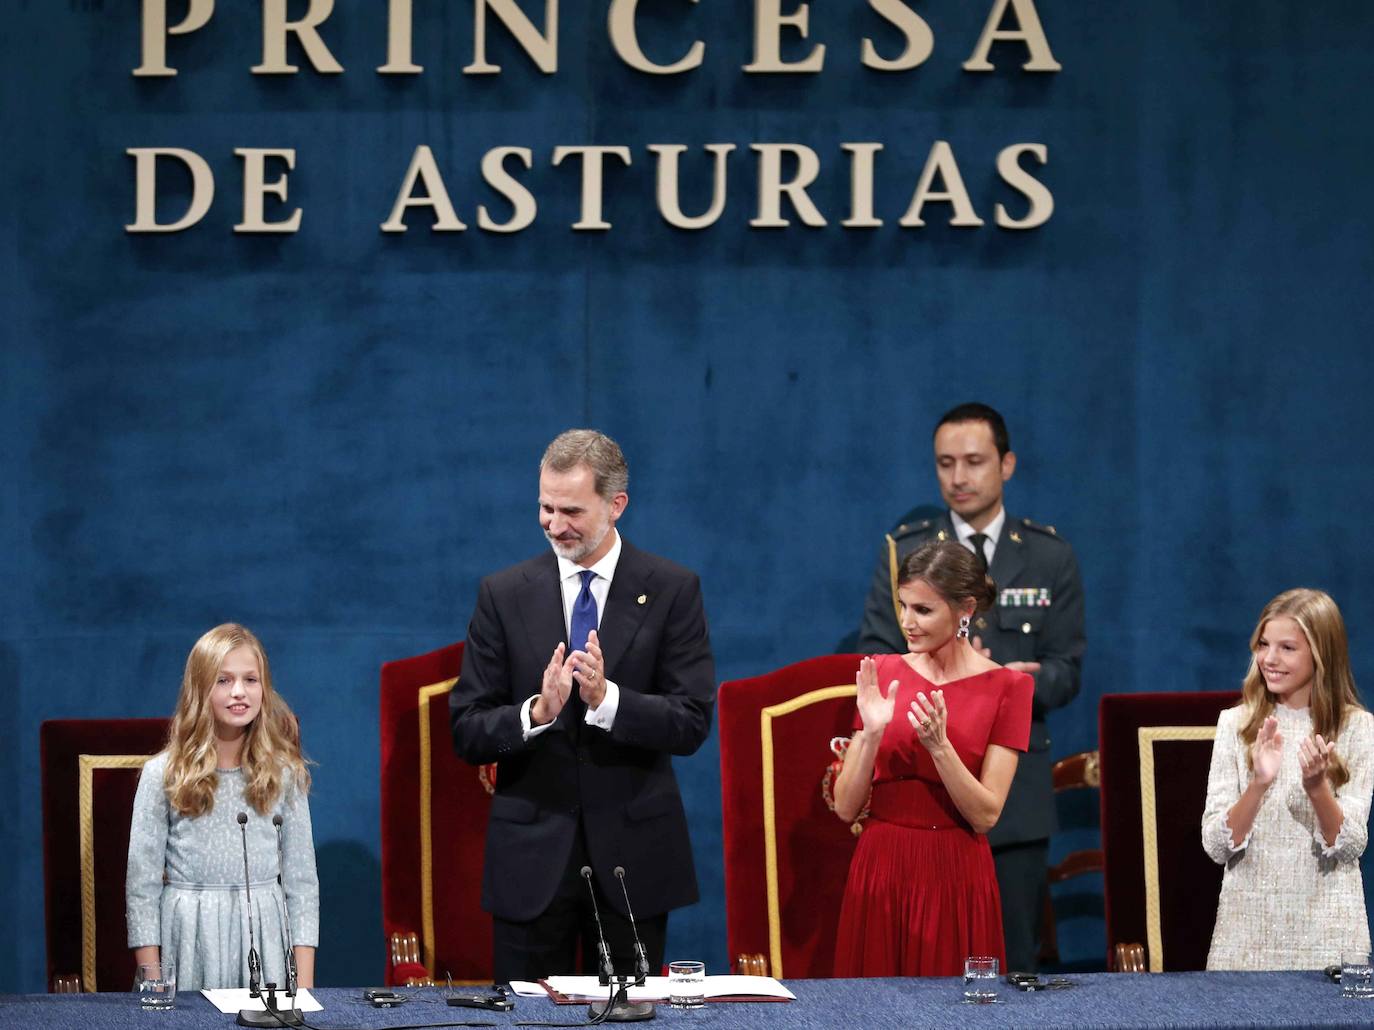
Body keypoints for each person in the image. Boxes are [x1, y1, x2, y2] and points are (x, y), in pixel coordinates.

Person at [450, 429, 716, 984]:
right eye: (544, 507)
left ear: (616, 505)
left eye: (570, 510)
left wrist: (608, 700)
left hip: (633, 865)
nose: (553, 523)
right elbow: (467, 728)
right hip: (530, 861)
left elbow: (691, 722)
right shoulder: (503, 593)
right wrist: (535, 714)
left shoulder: (671, 589)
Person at [856, 401, 1084, 973]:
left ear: (1006, 464)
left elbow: (1067, 670)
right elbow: (877, 650)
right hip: (916, 796)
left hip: (1013, 794)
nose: (958, 477)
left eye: (974, 461)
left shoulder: (1049, 554)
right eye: (945, 463)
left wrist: (1012, 678)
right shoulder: (907, 549)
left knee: (1004, 969)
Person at [833, 540, 1032, 975]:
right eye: (903, 606)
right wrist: (870, 733)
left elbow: (986, 815)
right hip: (881, 868)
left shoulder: (1009, 688)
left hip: (956, 874)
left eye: (923, 610)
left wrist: (940, 747)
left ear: (965, 610)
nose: (907, 622)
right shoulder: (882, 672)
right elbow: (846, 806)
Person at [126, 623, 319, 991]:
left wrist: (305, 985)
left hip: (264, 934)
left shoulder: (285, 775)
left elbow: (302, 883)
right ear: (200, 689)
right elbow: (142, 886)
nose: (239, 692)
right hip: (189, 936)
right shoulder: (162, 774)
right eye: (223, 680)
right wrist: (153, 981)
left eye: (251, 680)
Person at [1203, 589, 1374, 969]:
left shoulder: (1358, 728)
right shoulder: (1235, 725)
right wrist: (1258, 784)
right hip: (1244, 943)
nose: (1269, 659)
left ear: (1321, 654)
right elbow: (1216, 845)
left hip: (1331, 942)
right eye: (1263, 644)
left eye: (1287, 648)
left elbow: (1350, 847)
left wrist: (1317, 790)